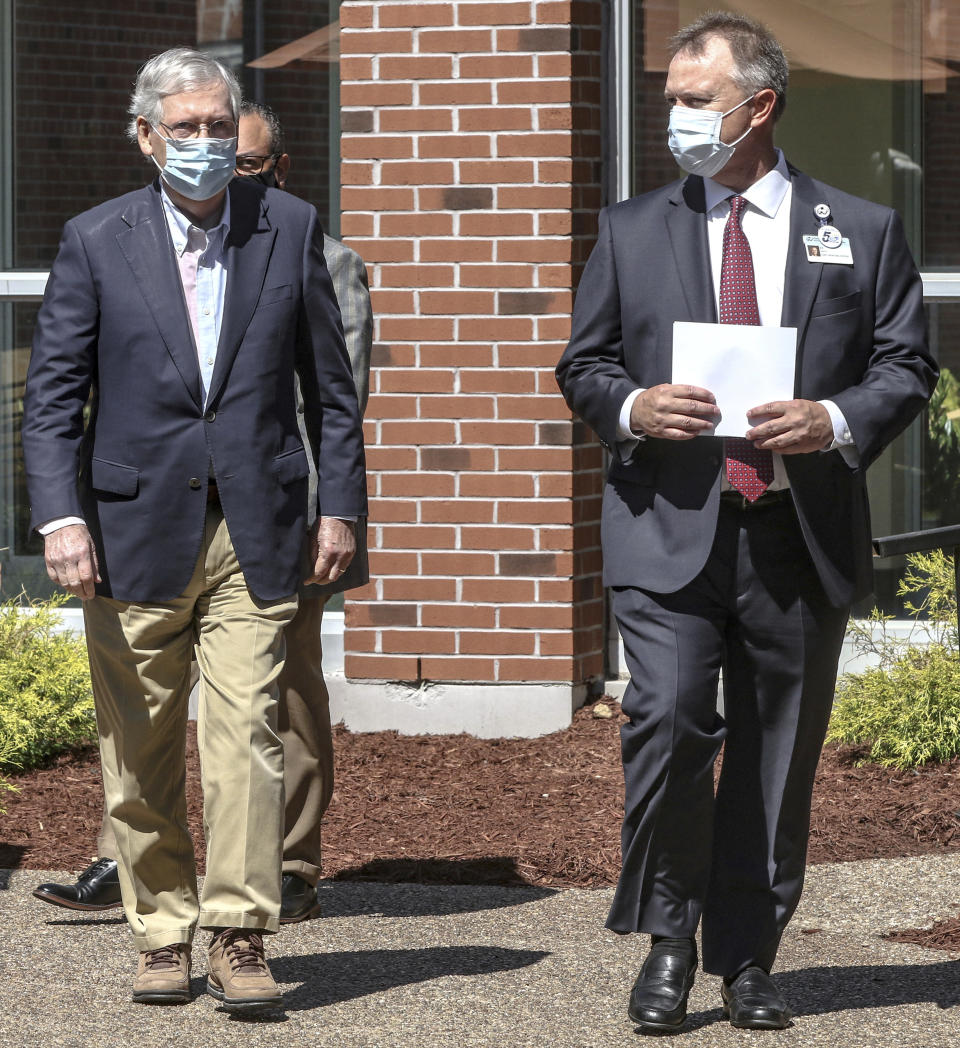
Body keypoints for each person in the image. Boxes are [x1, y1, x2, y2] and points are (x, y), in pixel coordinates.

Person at [556, 12, 936, 1034]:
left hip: (795, 536)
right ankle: (669, 938)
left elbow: (907, 363)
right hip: (668, 531)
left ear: (757, 106)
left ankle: (749, 958)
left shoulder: (859, 229)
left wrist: (836, 419)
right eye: (670, 99)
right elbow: (583, 366)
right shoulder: (632, 230)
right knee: (670, 724)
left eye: (694, 101)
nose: (675, 118)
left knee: (777, 757)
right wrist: (633, 408)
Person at [22, 48, 366, 1012]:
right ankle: (162, 929)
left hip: (255, 525)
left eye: (221, 126)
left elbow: (329, 394)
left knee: (248, 735)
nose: (209, 143)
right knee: (137, 744)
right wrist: (59, 518)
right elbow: (51, 403)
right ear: (147, 136)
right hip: (130, 533)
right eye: (188, 128)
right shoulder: (97, 240)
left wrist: (338, 504)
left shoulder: (287, 227)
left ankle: (241, 933)